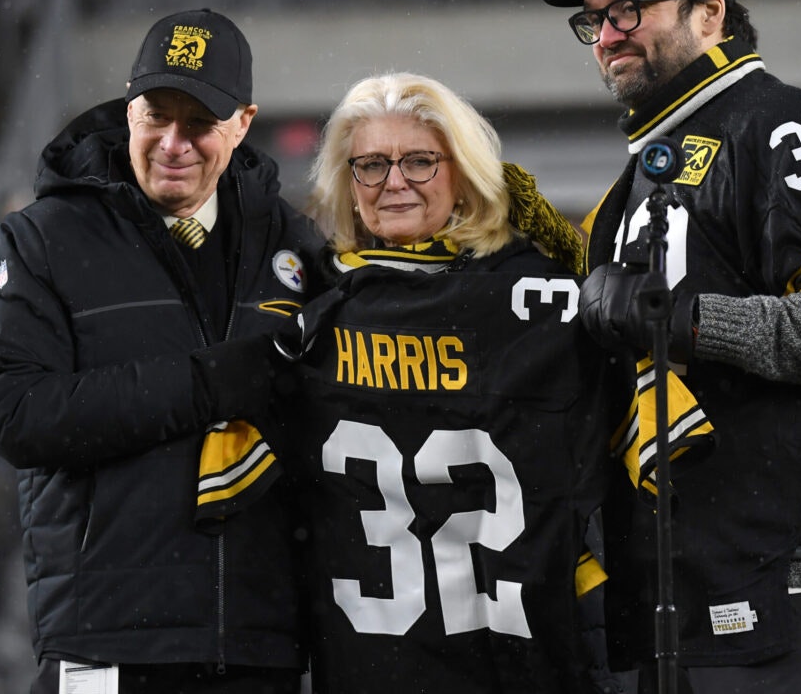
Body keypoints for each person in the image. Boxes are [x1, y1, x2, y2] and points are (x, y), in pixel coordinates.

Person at [196, 72, 696, 693]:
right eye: (371, 165)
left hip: (522, 660)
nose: (394, 182)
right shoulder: (307, 322)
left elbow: (678, 472)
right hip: (385, 665)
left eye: (420, 161)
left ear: (462, 171)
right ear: (348, 185)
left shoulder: (547, 304)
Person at [538, 0, 801, 693]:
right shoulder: (627, 187)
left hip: (784, 593)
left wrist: (681, 318)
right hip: (680, 594)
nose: (607, 34)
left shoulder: (785, 125)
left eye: (630, 9)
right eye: (595, 19)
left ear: (709, 11)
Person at [0, 8, 326, 694]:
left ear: (244, 122)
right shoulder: (44, 239)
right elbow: (9, 410)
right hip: (109, 640)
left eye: (199, 122)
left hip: (261, 643)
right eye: (156, 114)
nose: (172, 142)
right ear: (129, 107)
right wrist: (205, 384)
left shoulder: (294, 242)